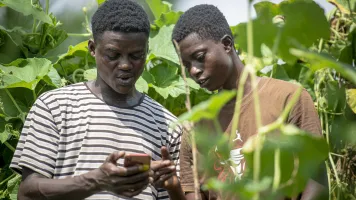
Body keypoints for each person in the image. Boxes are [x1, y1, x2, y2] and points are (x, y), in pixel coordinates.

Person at [10, 0, 185, 199]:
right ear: (93, 48)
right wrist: (96, 181)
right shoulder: (54, 107)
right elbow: (27, 193)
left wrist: (172, 186)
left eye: (136, 55)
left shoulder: (167, 124)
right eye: (113, 55)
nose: (126, 65)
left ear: (146, 51)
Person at [172, 4, 328, 200]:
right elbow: (194, 194)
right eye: (186, 65)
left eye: (199, 57)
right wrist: (171, 186)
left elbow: (316, 182)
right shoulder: (196, 126)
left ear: (227, 45)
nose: (194, 71)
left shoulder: (289, 98)